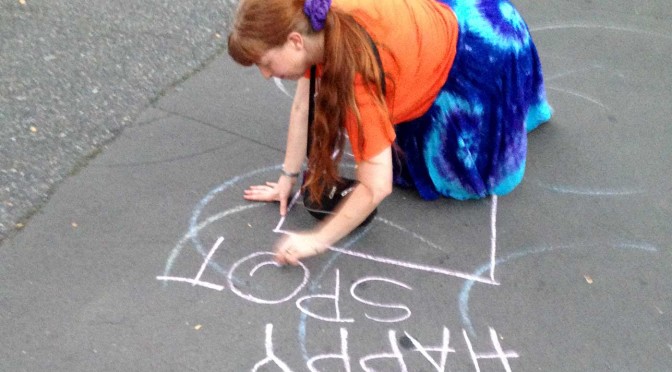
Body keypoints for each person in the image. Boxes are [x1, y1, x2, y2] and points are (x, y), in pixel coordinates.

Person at [228, 0, 552, 265]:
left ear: (295, 42)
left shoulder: (357, 75)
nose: (266, 74)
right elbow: (302, 108)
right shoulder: (318, 21)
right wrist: (287, 178)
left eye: (266, 62)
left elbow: (375, 186)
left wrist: (316, 241)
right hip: (439, 22)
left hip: (483, 49)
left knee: (456, 175)